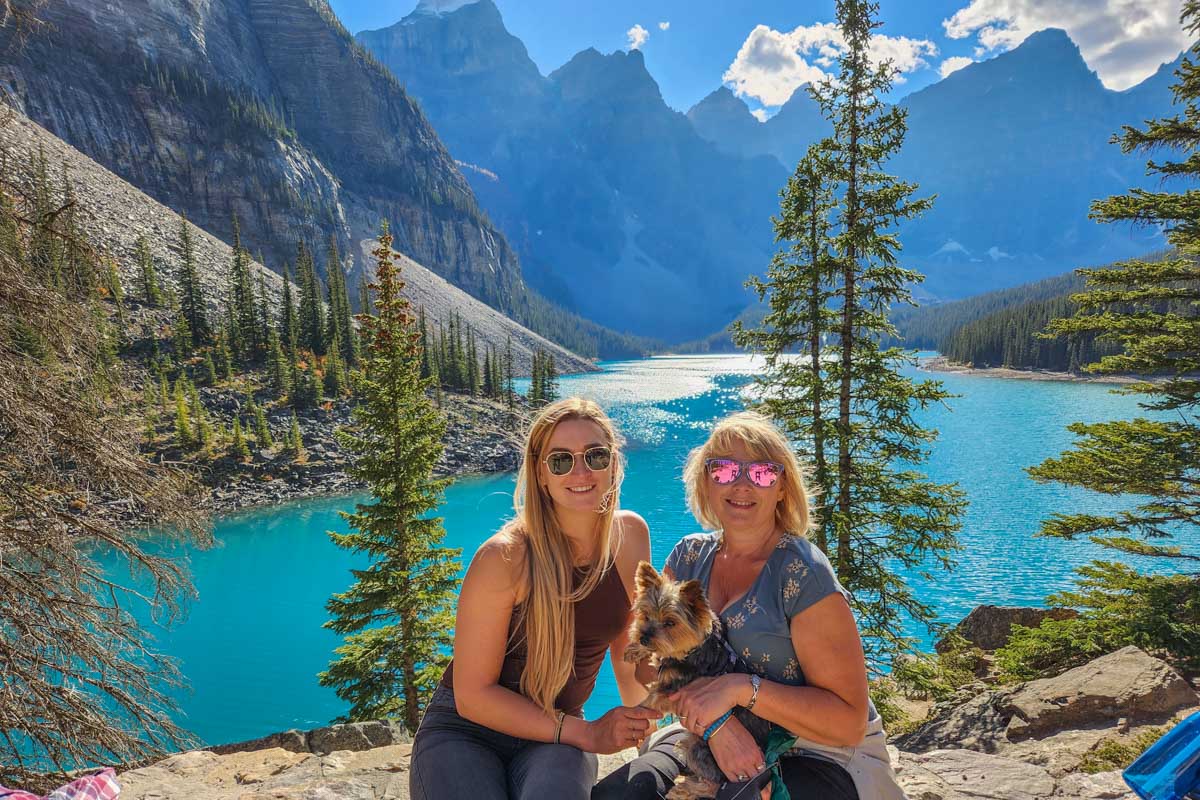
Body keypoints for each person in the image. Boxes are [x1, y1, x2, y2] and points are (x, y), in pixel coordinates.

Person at [595, 410, 904, 800]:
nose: (741, 484)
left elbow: (847, 723)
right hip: (701, 736)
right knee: (619, 795)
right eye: (723, 470)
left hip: (815, 750)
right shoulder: (689, 557)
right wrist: (718, 724)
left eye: (761, 473)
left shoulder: (802, 575)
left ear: (781, 487)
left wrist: (741, 688)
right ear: (705, 482)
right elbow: (646, 666)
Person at [410, 397, 661, 800]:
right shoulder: (504, 557)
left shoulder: (630, 536)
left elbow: (626, 651)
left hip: (556, 738)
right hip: (467, 734)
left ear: (614, 463)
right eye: (561, 460)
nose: (580, 471)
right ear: (541, 475)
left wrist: (648, 732)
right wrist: (587, 732)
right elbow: (473, 695)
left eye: (595, 456)